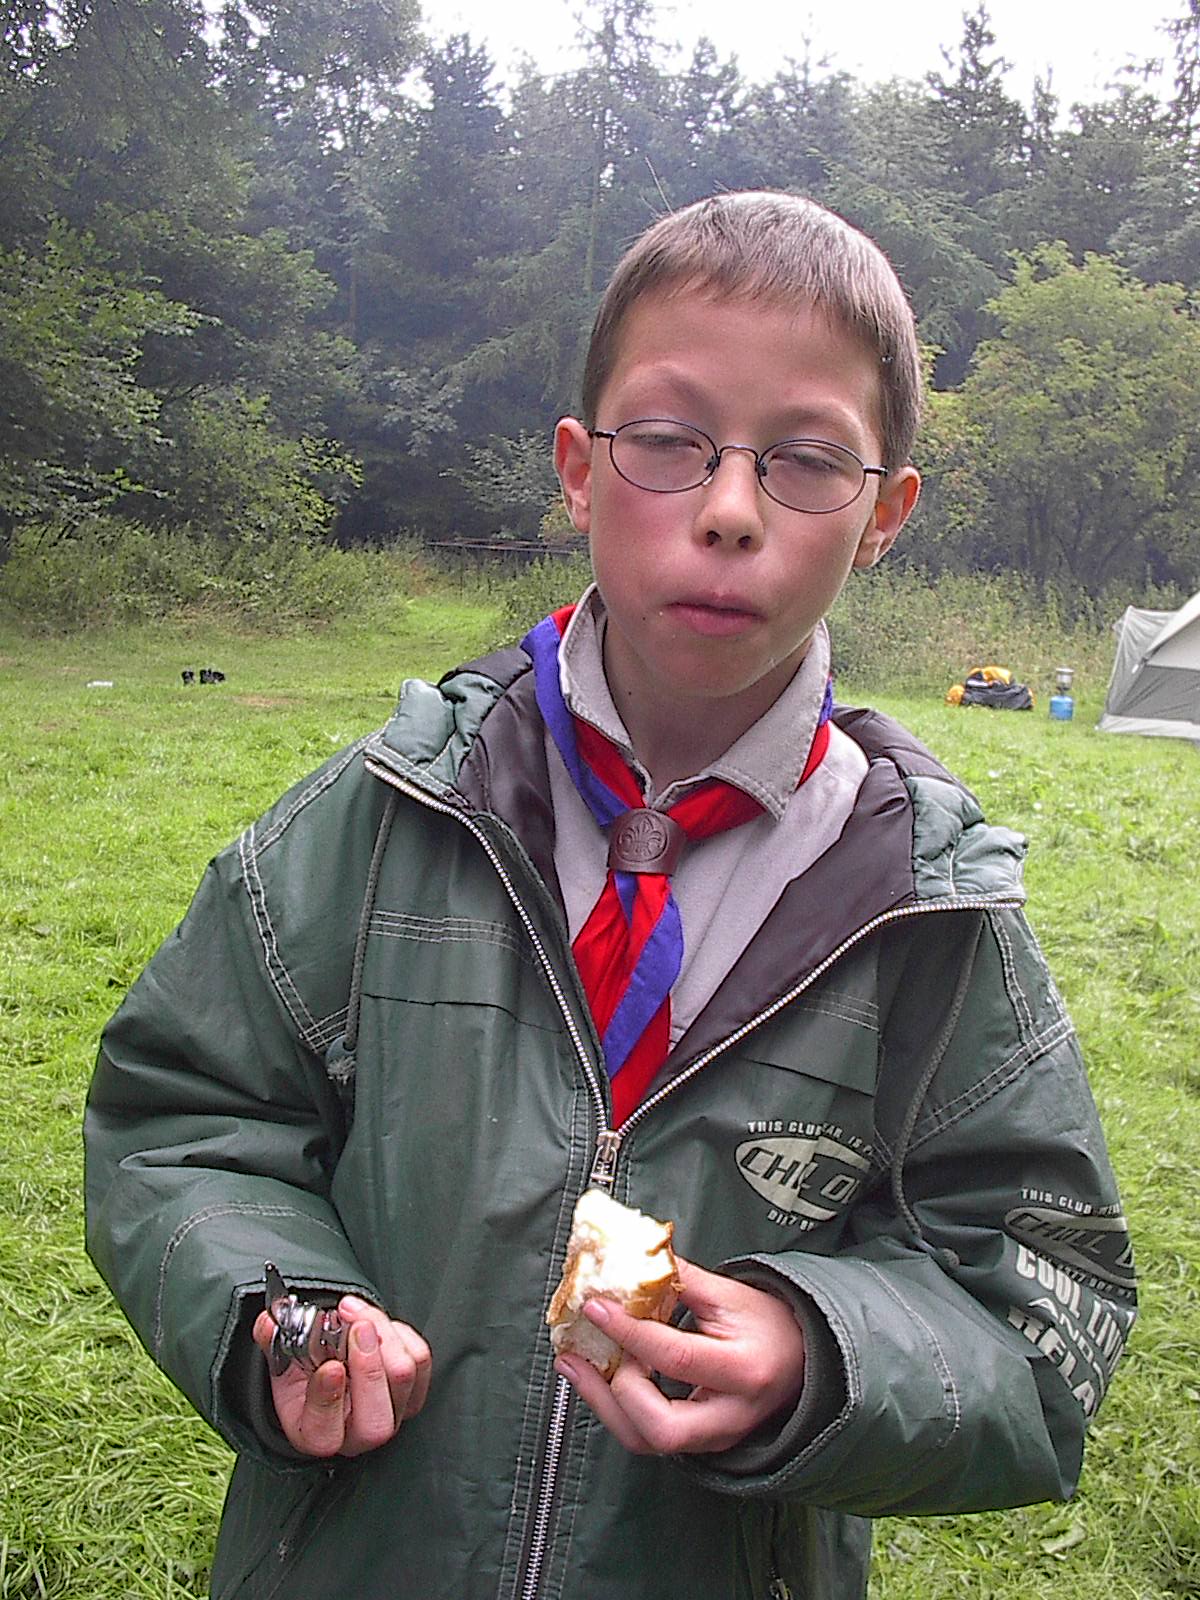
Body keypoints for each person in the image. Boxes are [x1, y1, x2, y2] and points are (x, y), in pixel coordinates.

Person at [84, 191, 1136, 1600]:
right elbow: (183, 1121)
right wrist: (281, 1305)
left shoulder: (930, 914)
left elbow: (1039, 1302)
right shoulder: (379, 821)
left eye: (808, 460)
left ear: (885, 515)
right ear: (579, 472)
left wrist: (819, 1355)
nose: (728, 511)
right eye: (667, 441)